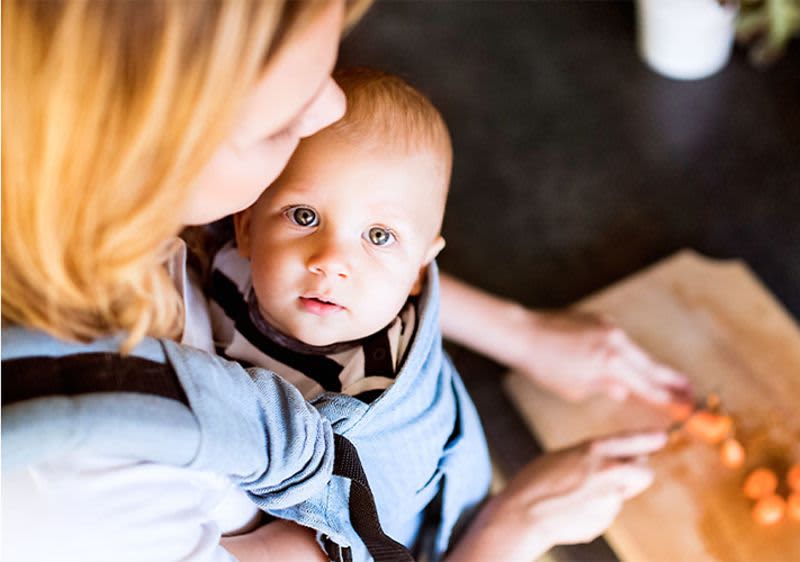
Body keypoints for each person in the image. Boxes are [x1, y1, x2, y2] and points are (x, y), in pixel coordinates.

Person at [2, 2, 689, 562]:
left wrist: (522, 332)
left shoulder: (109, 218)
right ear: (151, 149)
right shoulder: (71, 492)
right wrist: (516, 528)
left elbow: (342, 266)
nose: (330, 111)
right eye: (278, 122)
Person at [203, 67, 491, 561]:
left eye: (379, 236)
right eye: (304, 216)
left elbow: (332, 541)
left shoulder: (366, 403)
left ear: (419, 271)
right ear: (246, 226)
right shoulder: (222, 261)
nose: (331, 262)